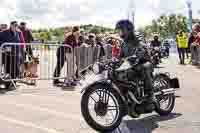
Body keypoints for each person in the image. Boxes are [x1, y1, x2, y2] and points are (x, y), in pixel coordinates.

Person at [116, 19, 156, 108]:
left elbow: (141, 45)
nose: (120, 33)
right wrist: (115, 60)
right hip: (130, 64)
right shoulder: (123, 43)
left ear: (129, 30)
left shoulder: (137, 37)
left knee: (144, 68)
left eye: (122, 30)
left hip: (143, 61)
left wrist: (139, 52)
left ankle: (150, 95)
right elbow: (120, 56)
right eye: (119, 30)